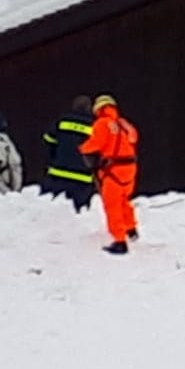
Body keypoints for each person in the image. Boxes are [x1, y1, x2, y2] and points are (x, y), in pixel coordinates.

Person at [80, 95, 139, 255]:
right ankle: (131, 229)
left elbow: (96, 143)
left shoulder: (102, 123)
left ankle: (119, 241)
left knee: (112, 204)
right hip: (130, 168)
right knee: (124, 200)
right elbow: (134, 137)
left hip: (114, 169)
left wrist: (83, 148)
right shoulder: (123, 123)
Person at [43, 96, 97, 212]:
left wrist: (53, 157)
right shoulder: (95, 126)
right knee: (78, 214)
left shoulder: (63, 121)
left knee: (50, 211)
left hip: (58, 172)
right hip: (82, 177)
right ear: (90, 109)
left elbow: (48, 139)